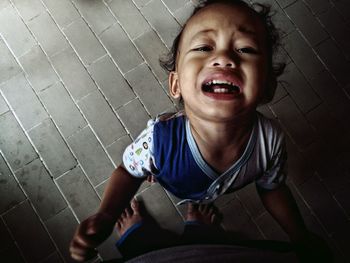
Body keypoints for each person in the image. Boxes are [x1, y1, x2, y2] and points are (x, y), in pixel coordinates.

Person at [70, 0, 332, 262]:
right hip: (172, 179)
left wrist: (299, 235)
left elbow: (272, 187)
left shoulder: (270, 141)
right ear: (176, 84)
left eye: (246, 49)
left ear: (268, 87)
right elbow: (128, 171)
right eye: (204, 47)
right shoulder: (157, 140)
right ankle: (182, 222)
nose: (224, 58)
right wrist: (106, 213)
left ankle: (194, 224)